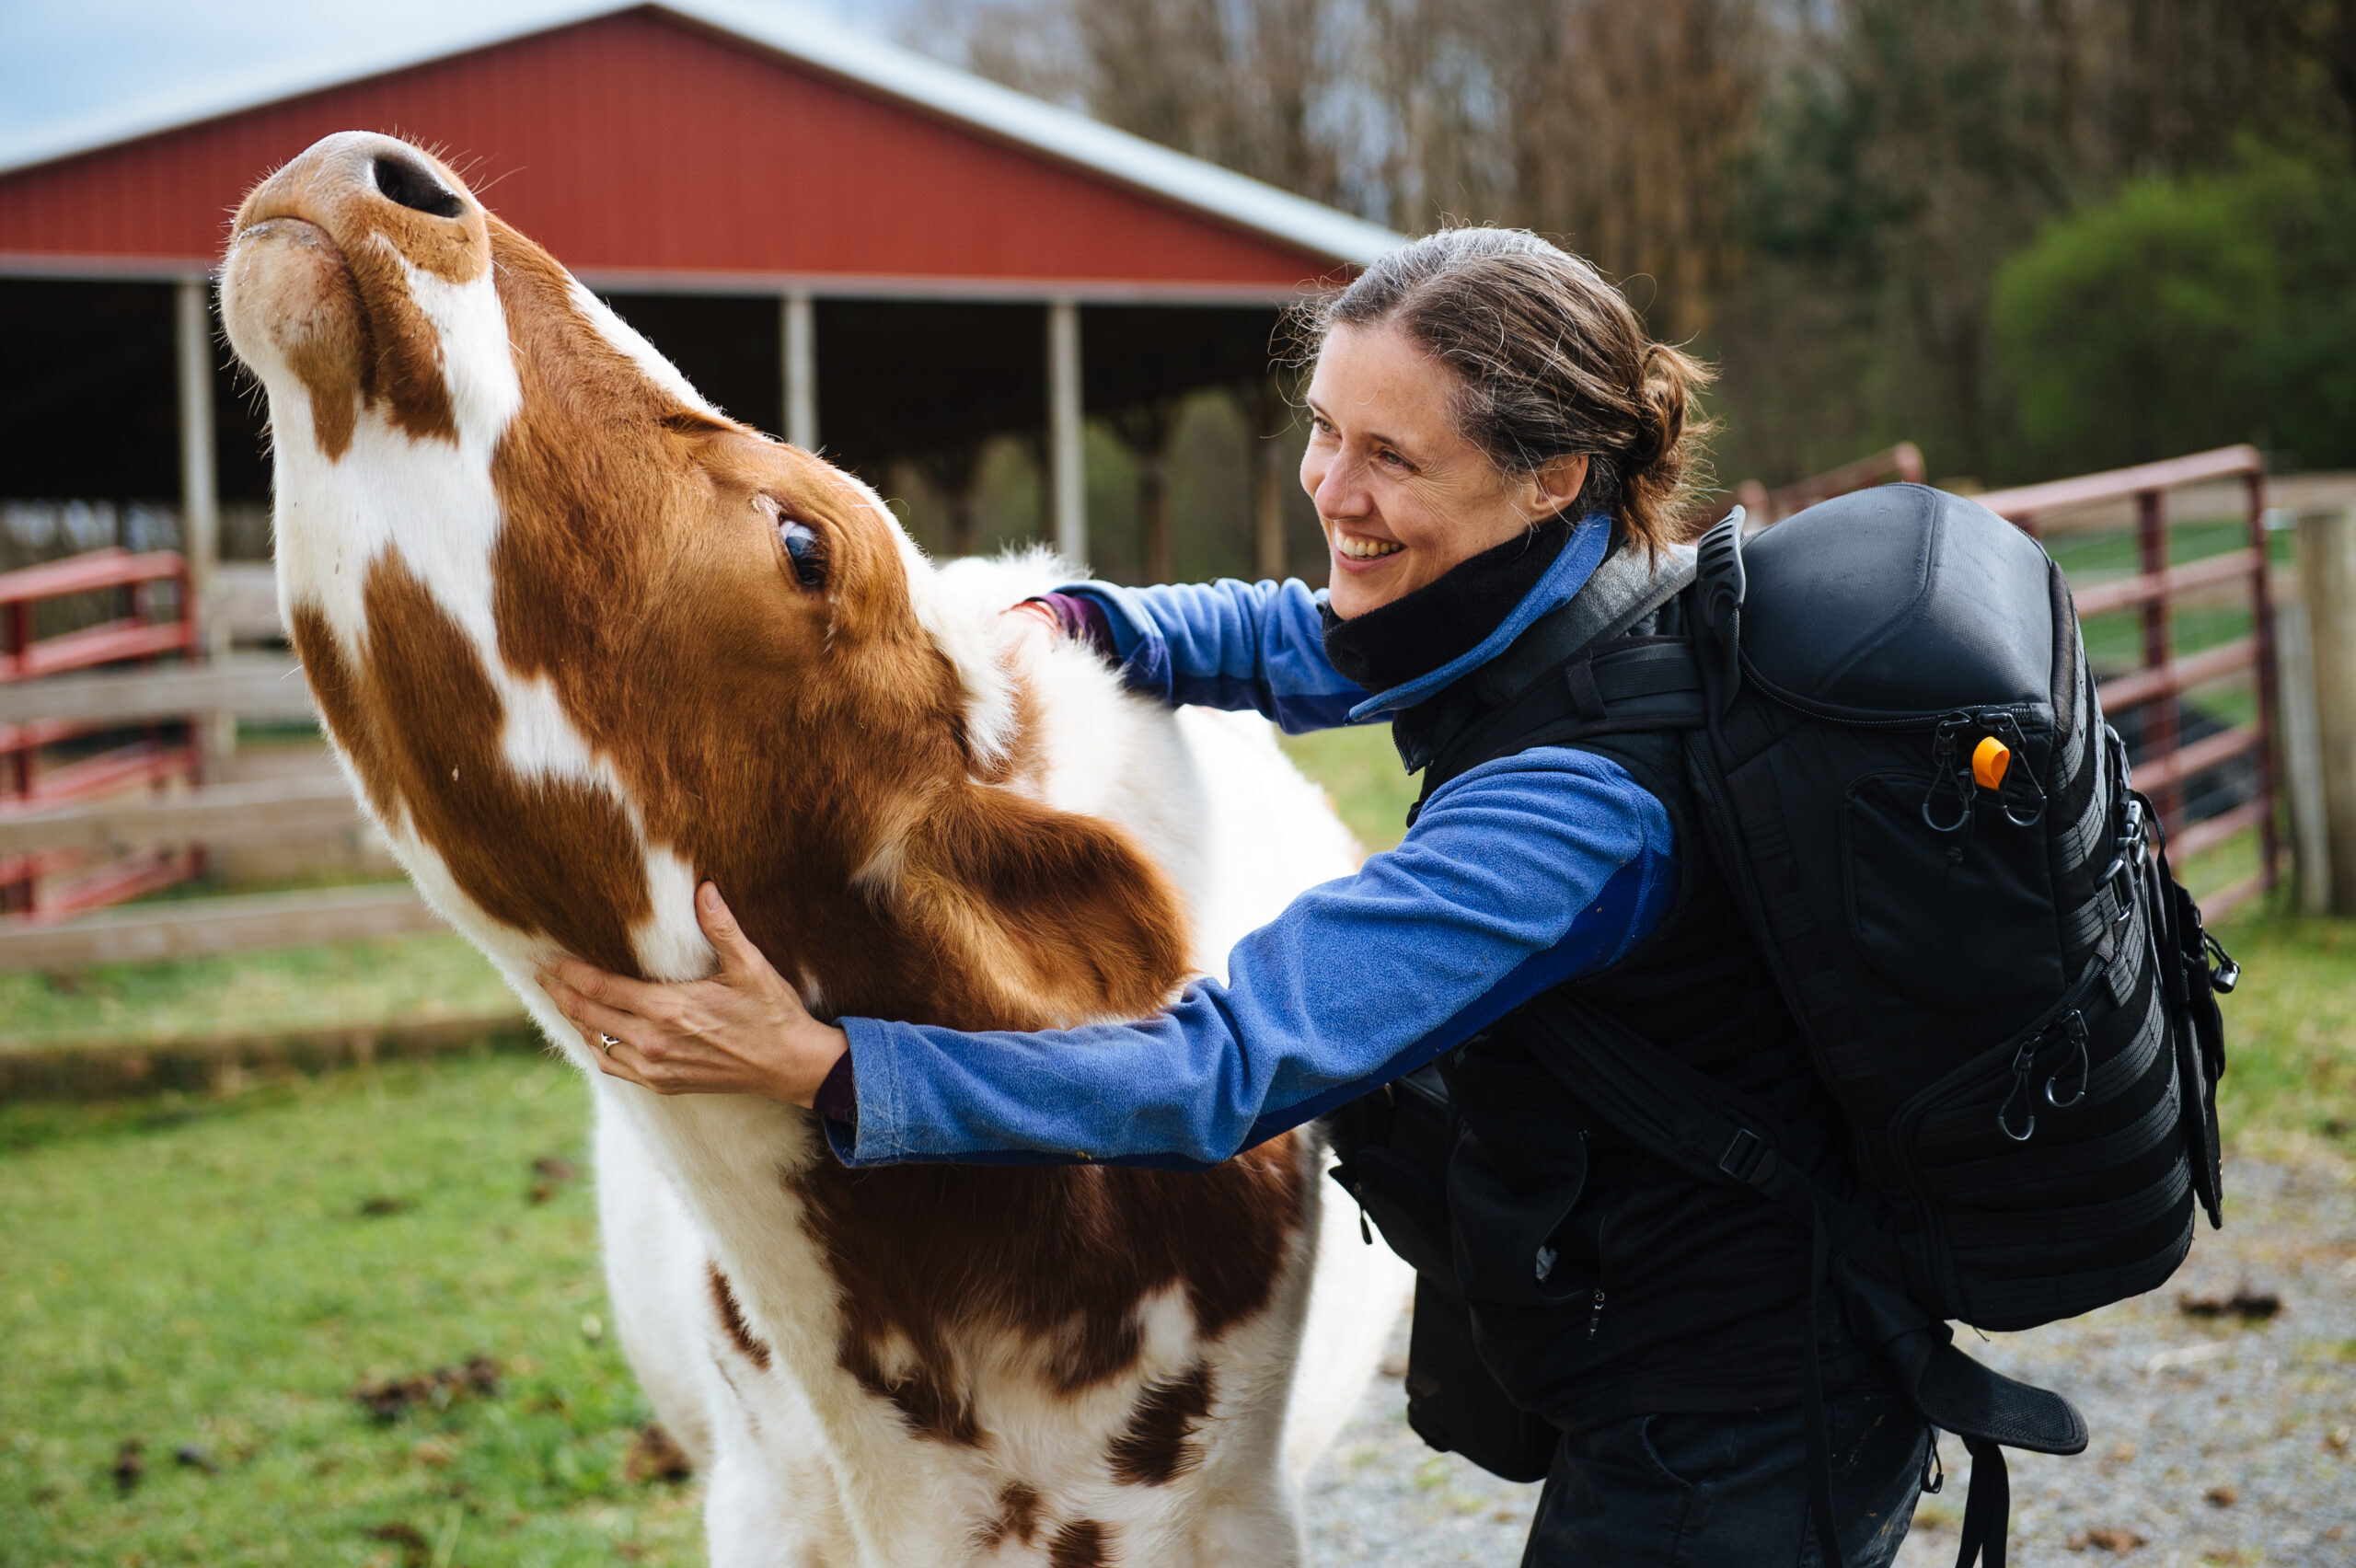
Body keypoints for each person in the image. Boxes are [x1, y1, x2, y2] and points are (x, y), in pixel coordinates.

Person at [537, 227, 1928, 1567]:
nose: (1333, 486)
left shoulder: (1577, 807)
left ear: (1551, 474)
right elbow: (1293, 640)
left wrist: (838, 1068)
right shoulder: (1554, 601)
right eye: (1324, 427)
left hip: (1744, 1396)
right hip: (1682, 1327)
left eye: (1392, 455)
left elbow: (1224, 1070)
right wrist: (1059, 626)